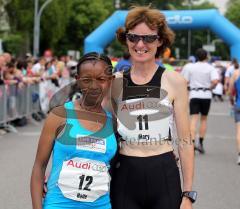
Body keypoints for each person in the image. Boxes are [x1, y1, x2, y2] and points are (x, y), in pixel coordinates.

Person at [109, 6, 195, 209]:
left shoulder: (175, 81)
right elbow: (98, 132)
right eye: (133, 37)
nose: (140, 44)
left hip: (163, 173)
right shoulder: (114, 83)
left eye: (148, 38)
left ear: (160, 41)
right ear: (126, 40)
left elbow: (184, 141)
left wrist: (188, 194)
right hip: (125, 175)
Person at [31, 52, 117, 209]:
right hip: (58, 204)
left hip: (100, 205)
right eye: (86, 80)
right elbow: (39, 166)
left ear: (110, 81)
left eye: (101, 79)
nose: (94, 86)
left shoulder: (114, 122)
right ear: (77, 80)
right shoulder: (59, 115)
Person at [182, 48, 218, 154]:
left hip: (194, 94)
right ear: (206, 56)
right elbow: (215, 81)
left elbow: (185, 81)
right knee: (204, 119)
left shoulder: (190, 67)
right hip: (206, 95)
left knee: (193, 119)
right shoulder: (211, 68)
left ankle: (192, 143)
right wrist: (210, 87)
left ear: (196, 56)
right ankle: (201, 144)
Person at [229, 65, 240, 165]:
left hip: (238, 104)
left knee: (239, 131)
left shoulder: (236, 73)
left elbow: (230, 89)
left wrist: (231, 100)